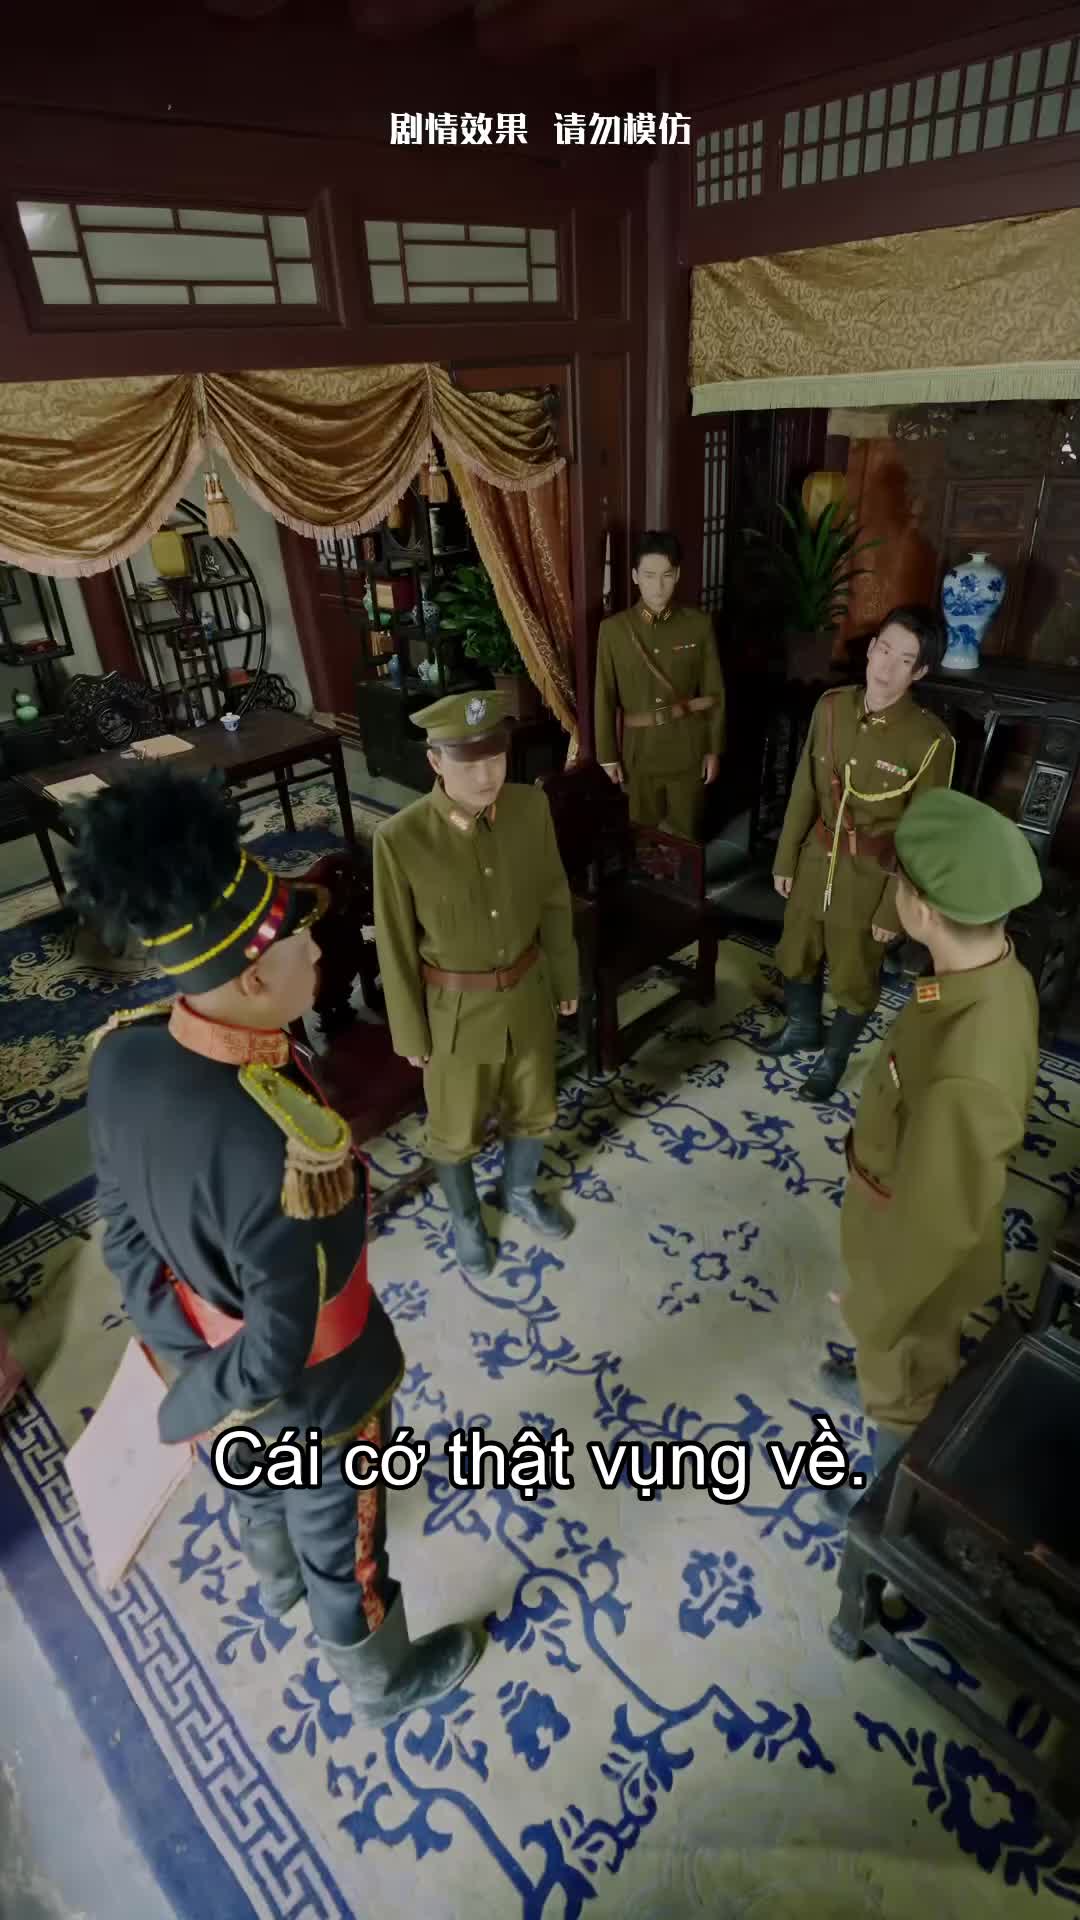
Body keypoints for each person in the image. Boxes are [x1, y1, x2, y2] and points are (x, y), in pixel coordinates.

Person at [74, 764, 482, 1726]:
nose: (318, 949)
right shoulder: (278, 1148)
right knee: (345, 1534)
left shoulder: (125, 1053)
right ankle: (381, 1681)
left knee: (256, 1483)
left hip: (201, 1353)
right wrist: (188, 1405)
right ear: (256, 979)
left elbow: (122, 1229)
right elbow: (278, 1346)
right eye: (302, 938)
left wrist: (184, 1360)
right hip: (318, 1391)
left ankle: (275, 1581)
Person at [821, 787, 1042, 1517]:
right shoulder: (988, 973)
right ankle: (876, 1371)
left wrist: (871, 1309)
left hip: (912, 1246)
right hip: (896, 1198)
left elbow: (935, 1227)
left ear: (919, 909)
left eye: (900, 882)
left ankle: (883, 1496)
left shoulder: (966, 1069)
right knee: (890, 1359)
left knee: (905, 1383)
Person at [373, 690, 579, 1278]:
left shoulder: (530, 808)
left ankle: (519, 1191)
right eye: (469, 763)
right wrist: (409, 1031)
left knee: (535, 1107)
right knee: (453, 1130)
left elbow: (553, 898)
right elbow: (394, 943)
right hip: (454, 1015)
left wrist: (564, 976)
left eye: (496, 757)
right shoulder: (401, 838)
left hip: (529, 992)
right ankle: (465, 1219)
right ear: (435, 761)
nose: (487, 775)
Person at [763, 604, 955, 1102]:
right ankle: (803, 1027)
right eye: (883, 650)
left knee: (853, 974)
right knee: (795, 951)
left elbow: (923, 837)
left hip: (871, 879)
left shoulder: (931, 741)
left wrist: (893, 909)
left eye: (904, 660)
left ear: (919, 673)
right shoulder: (830, 707)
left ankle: (833, 1059)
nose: (886, 667)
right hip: (814, 858)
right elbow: (804, 789)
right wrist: (785, 858)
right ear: (870, 650)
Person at [594, 530, 726, 840]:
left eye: (666, 575)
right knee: (642, 841)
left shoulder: (698, 625)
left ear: (677, 575)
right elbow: (604, 695)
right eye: (649, 576)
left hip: (687, 750)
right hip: (638, 755)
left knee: (686, 839)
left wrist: (713, 750)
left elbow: (714, 693)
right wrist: (607, 756)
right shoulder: (614, 630)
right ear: (635, 576)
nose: (658, 586)